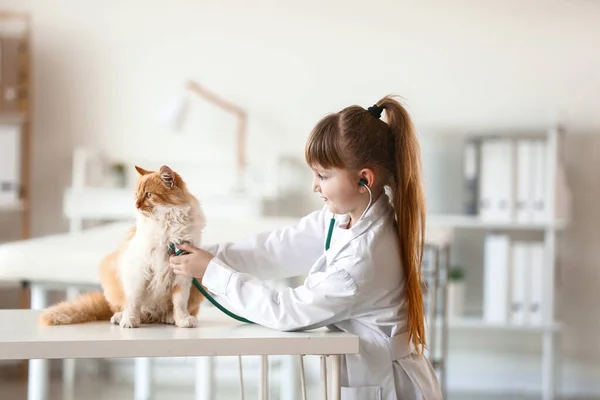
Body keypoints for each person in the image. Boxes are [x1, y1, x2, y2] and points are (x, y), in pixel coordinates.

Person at [169, 95, 442, 399]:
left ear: (364, 179)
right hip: (367, 374)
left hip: (388, 386)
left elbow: (287, 312)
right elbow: (275, 249)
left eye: (323, 176)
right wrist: (207, 255)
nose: (314, 186)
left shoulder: (362, 258)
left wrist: (212, 272)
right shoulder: (342, 218)